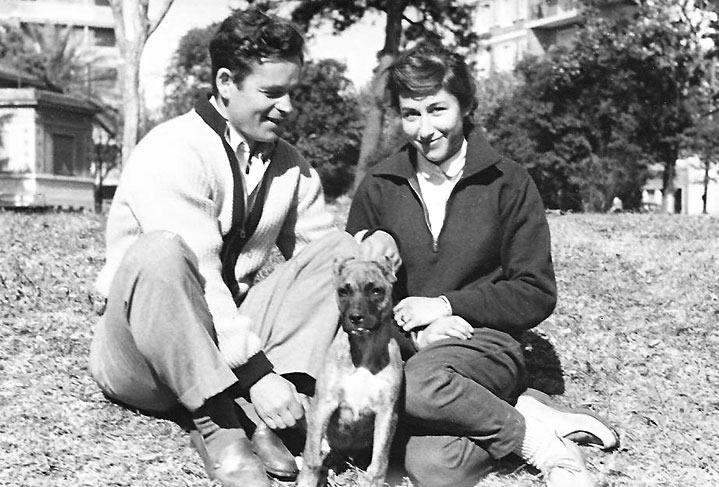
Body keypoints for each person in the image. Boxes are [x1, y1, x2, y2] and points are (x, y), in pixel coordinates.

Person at [89, 8, 357, 487]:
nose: (288, 108)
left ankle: (272, 412)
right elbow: (204, 275)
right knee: (164, 251)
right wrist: (257, 373)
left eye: (291, 92)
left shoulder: (293, 167)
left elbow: (330, 267)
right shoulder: (172, 148)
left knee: (340, 250)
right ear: (227, 82)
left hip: (225, 340)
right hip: (142, 353)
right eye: (272, 93)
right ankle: (220, 423)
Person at [347, 40, 619, 487]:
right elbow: (360, 295)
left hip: (485, 343)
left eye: (438, 110)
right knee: (436, 467)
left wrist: (446, 305)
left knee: (414, 387)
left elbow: (535, 291)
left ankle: (545, 449)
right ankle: (523, 411)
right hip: (402, 348)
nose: (425, 128)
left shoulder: (508, 181)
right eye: (411, 114)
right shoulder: (379, 186)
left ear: (467, 105)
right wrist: (412, 336)